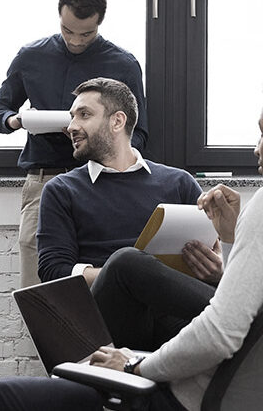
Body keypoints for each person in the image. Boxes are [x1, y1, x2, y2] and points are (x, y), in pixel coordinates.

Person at [0, 67, 263, 411]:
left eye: (262, 134)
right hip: (237, 391)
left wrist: (133, 365)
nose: (256, 148)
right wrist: (230, 241)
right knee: (126, 267)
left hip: (175, 393)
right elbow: (253, 312)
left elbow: (221, 331)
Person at [36, 77, 220, 350]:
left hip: (175, 320)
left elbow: (213, 251)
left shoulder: (179, 182)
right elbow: (53, 272)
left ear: (117, 121)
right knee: (126, 262)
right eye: (72, 116)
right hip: (110, 322)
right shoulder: (62, 190)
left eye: (84, 115)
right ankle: (243, 316)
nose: (72, 126)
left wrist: (217, 271)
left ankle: (238, 317)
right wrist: (122, 276)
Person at [0, 0, 149, 288]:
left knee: (103, 272)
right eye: (67, 30)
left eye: (85, 34)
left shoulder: (123, 64)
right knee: (38, 281)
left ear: (99, 23)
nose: (75, 41)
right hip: (44, 179)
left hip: (102, 181)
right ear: (59, 17)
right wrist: (17, 120)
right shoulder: (31, 56)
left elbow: (138, 136)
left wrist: (98, 135)